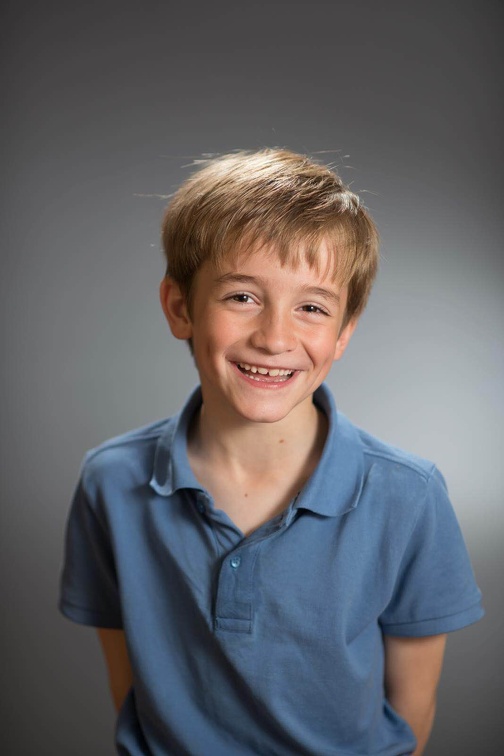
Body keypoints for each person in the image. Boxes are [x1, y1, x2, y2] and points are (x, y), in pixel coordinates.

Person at [59, 149, 484, 755]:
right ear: (180, 307)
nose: (275, 337)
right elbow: (130, 680)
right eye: (241, 297)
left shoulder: (408, 495)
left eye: (311, 308)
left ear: (343, 333)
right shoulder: (111, 481)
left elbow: (412, 710)